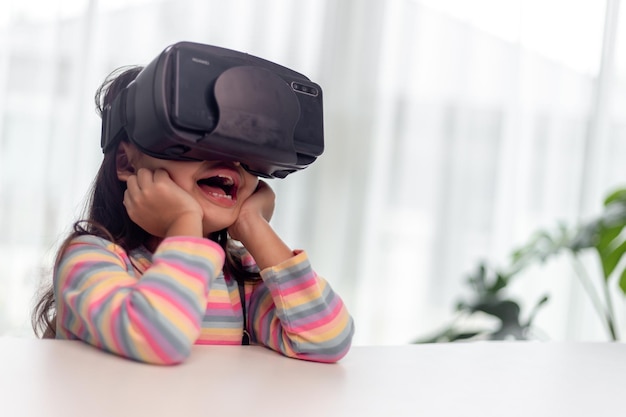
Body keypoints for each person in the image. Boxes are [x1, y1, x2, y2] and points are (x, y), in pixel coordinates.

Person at [31, 64, 354, 365]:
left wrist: (253, 226)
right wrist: (183, 221)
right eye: (198, 140)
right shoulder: (90, 258)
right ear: (128, 164)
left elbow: (327, 339)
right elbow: (157, 338)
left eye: (247, 151)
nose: (230, 161)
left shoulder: (238, 279)